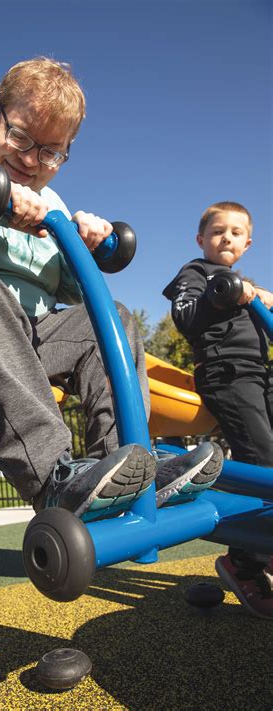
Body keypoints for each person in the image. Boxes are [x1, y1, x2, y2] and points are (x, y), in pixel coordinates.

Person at [0, 56, 222, 523]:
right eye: (20, 138)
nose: (31, 161)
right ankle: (55, 478)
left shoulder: (49, 201)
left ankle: (124, 469)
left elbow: (67, 290)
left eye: (50, 152)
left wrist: (87, 250)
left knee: (109, 319)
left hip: (22, 335)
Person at [163, 200, 272, 619]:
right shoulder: (198, 274)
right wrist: (224, 292)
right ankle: (243, 561)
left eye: (236, 232)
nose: (226, 237)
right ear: (201, 239)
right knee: (262, 460)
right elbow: (185, 317)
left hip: (260, 373)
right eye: (217, 231)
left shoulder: (247, 288)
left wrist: (261, 300)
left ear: (248, 242)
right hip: (226, 373)